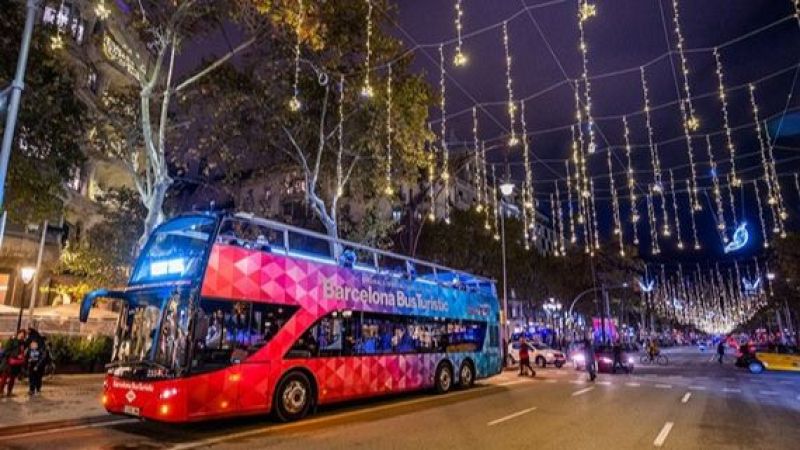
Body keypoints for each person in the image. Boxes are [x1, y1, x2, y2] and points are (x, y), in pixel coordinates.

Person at [0, 330, 27, 396]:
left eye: (23, 335)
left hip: (16, 364)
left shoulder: (22, 343)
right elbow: (6, 351)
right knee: (4, 378)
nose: (22, 336)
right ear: (18, 334)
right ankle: (0, 392)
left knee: (12, 378)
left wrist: (21, 357)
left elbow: (22, 351)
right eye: (21, 334)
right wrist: (16, 355)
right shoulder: (11, 340)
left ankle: (9, 392)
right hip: (8, 363)